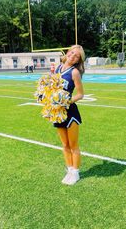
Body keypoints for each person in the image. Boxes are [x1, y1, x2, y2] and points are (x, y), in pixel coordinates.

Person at [54, 45, 85, 185]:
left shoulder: (75, 73)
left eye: (77, 55)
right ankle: (69, 170)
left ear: (78, 60)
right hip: (57, 112)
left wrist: (66, 101)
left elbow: (80, 94)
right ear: (67, 53)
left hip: (70, 112)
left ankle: (76, 173)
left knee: (73, 145)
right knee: (65, 145)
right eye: (72, 53)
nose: (73, 56)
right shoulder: (57, 68)